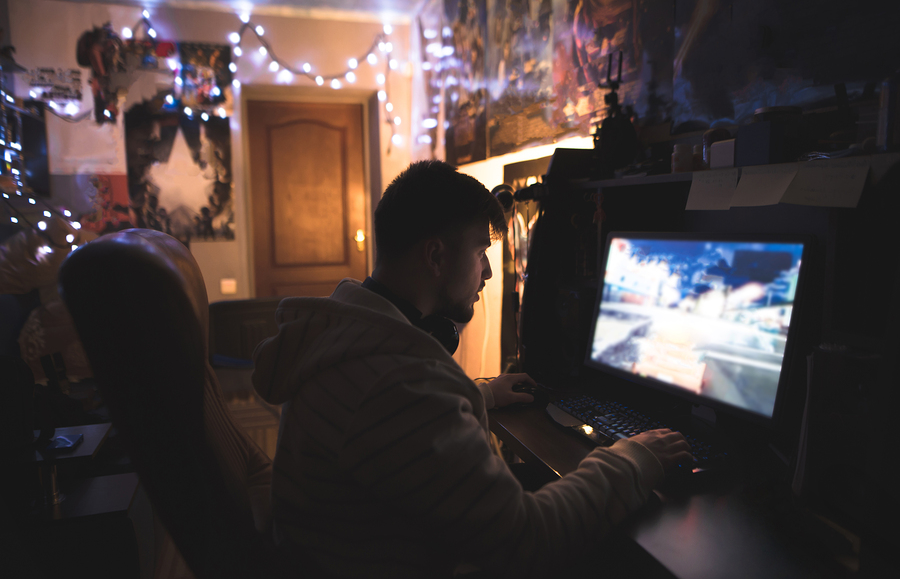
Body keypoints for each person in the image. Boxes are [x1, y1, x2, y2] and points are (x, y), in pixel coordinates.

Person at [252, 160, 691, 577]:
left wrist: (481, 393)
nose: (486, 272)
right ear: (436, 257)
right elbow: (528, 541)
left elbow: (398, 419)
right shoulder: (404, 384)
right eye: (480, 251)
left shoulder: (344, 334)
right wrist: (635, 458)